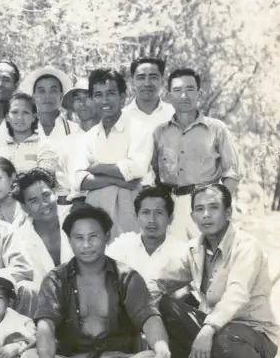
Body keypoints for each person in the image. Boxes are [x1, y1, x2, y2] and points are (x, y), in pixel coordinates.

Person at [20, 204, 172, 358]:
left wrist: (163, 352)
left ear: (107, 237)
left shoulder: (127, 277)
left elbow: (149, 318)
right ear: (70, 241)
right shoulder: (57, 279)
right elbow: (45, 325)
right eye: (78, 238)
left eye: (93, 237)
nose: (86, 245)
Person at [148, 184, 279, 358]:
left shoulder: (245, 247)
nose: (206, 215)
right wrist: (138, 314)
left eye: (213, 208)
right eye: (199, 209)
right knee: (164, 306)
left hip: (254, 336)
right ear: (192, 216)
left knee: (224, 338)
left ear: (228, 212)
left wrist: (208, 329)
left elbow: (236, 294)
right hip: (216, 332)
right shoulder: (193, 249)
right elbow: (158, 281)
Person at [152, 68, 241, 242]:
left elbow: (232, 172)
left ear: (199, 94)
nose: (183, 96)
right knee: (176, 262)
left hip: (205, 206)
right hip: (171, 206)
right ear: (169, 96)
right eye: (177, 90)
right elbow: (154, 171)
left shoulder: (217, 129)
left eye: (189, 89)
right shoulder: (160, 132)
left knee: (209, 260)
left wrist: (218, 205)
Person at [71, 68, 153, 238]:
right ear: (93, 99)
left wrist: (96, 167)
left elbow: (135, 169)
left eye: (110, 93)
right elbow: (79, 180)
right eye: (98, 95)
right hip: (95, 211)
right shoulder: (89, 136)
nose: (104, 100)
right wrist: (115, 179)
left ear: (122, 97)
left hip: (130, 209)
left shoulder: (139, 128)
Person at [7, 169, 71, 310]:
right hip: (43, 309)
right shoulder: (19, 238)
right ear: (24, 207)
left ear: (54, 193)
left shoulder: (75, 219)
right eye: (34, 200)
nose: (44, 204)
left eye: (46, 195)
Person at [105, 185, 188, 282]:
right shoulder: (120, 248)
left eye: (159, 213)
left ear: (170, 218)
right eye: (146, 212)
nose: (152, 220)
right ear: (136, 216)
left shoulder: (182, 253)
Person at [126, 56, 175, 128]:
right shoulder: (121, 118)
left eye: (153, 77)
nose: (147, 84)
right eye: (141, 78)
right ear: (132, 82)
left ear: (162, 81)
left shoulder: (175, 115)